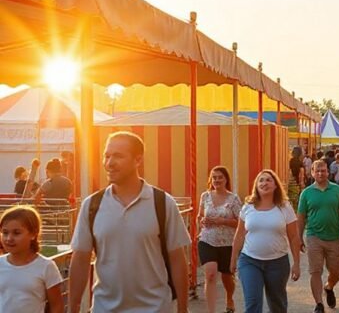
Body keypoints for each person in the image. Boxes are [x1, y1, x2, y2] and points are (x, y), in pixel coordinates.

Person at [69, 131, 191, 313]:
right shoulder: (92, 205)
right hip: (105, 308)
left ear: (138, 160)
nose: (110, 163)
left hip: (155, 308)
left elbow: (177, 259)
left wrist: (182, 308)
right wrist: (73, 308)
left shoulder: (163, 203)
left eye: (118, 156)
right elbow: (80, 259)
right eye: (107, 156)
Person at [231, 169, 301, 313]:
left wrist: (296, 263)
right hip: (249, 261)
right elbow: (239, 234)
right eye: (261, 180)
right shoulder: (248, 207)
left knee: (277, 305)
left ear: (275, 185)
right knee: (253, 304)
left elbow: (294, 237)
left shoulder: (284, 207)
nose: (264, 183)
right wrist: (233, 259)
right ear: (256, 186)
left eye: (269, 180)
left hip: (277, 263)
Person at [297, 160, 339, 313]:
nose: (320, 173)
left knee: (336, 272)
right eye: (317, 171)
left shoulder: (336, 190)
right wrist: (299, 238)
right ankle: (319, 304)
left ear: (328, 172)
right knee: (315, 271)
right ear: (312, 173)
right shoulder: (306, 193)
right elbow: (301, 217)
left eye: (323, 170)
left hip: (333, 238)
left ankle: (329, 287)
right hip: (314, 236)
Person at [0, 205, 64, 313]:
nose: (9, 238)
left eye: (16, 233)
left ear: (33, 234)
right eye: (5, 233)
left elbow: (56, 305)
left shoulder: (46, 266)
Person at [197, 166, 242, 313]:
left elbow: (241, 223)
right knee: (210, 274)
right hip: (207, 239)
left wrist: (222, 221)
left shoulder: (234, 199)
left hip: (228, 243)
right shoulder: (205, 196)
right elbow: (200, 216)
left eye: (220, 177)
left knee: (227, 276)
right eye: (214, 177)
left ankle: (229, 298)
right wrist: (202, 221)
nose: (217, 180)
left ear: (226, 179)